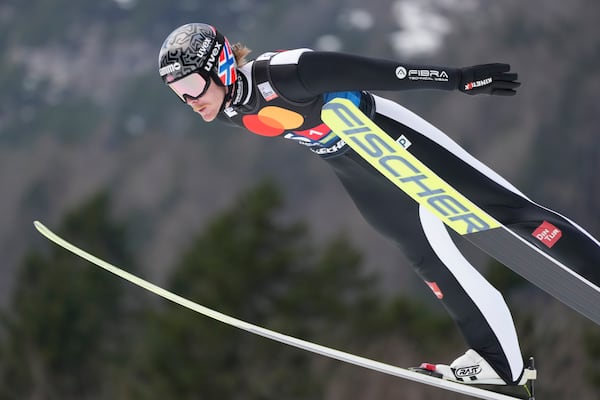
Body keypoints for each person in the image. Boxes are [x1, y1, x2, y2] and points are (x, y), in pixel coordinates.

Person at [158, 23, 600, 386]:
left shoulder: (285, 72)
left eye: (193, 83)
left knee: (508, 212)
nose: (190, 99)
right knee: (426, 257)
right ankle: (501, 363)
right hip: (355, 169)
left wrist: (459, 79)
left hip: (387, 135)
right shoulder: (229, 106)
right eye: (178, 92)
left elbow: (380, 73)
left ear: (221, 66)